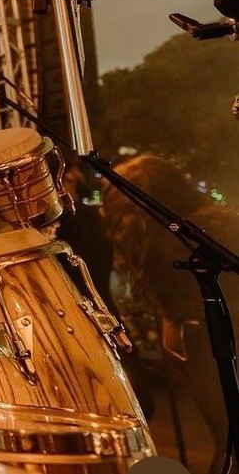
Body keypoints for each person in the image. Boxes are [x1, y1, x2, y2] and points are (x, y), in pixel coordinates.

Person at [102, 154, 239, 474]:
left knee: (227, 438)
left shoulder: (176, 240)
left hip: (211, 343)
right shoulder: (207, 227)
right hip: (208, 343)